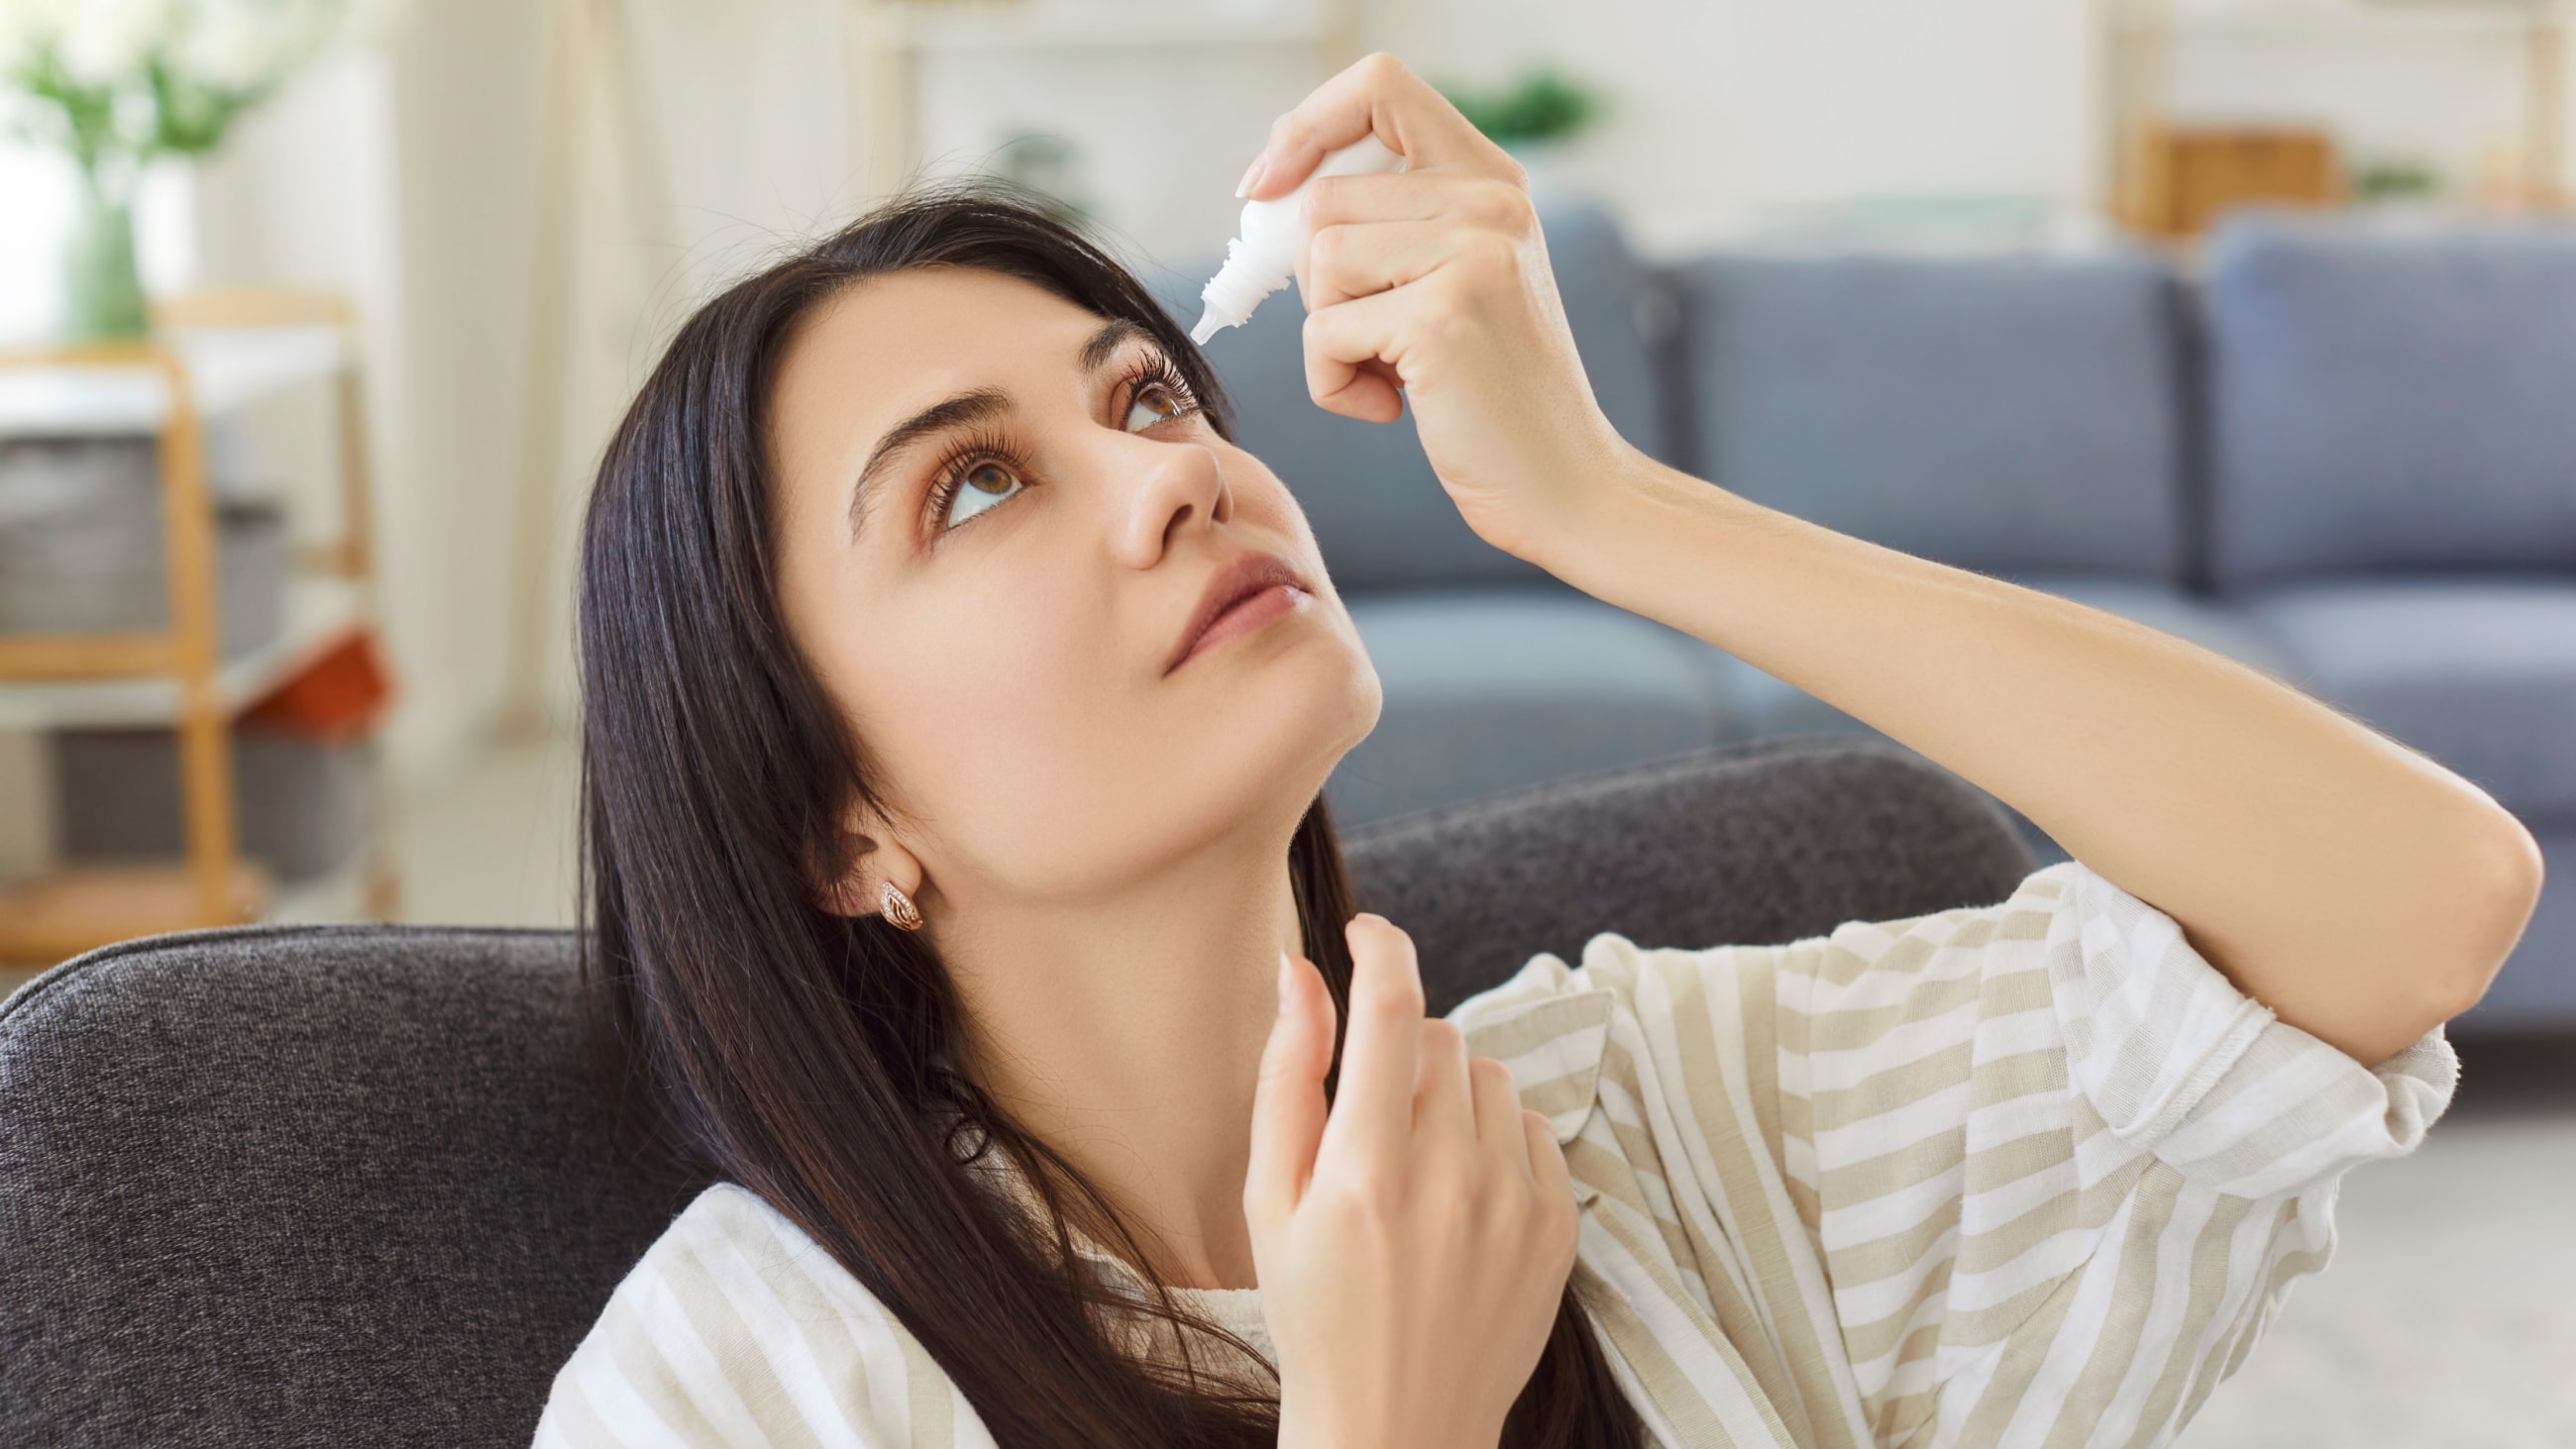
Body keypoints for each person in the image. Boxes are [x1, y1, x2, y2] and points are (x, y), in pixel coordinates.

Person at [536, 54, 2535, 1449]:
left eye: (1150, 396)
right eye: (974, 490)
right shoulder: (746, 1391)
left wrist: (1601, 503)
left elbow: (2414, 902)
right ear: (831, 821)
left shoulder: (1649, 1120)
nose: (1171, 483)